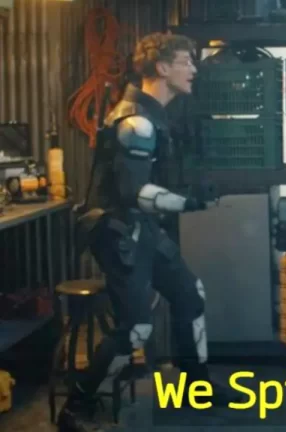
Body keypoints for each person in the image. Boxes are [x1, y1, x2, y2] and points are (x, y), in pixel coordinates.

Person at [58, 33, 243, 432]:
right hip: (118, 232)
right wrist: (191, 203)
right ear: (161, 68)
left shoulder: (153, 115)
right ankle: (75, 407)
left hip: (140, 227)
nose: (194, 69)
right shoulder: (137, 122)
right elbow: (135, 193)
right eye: (186, 61)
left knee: (190, 295)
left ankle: (197, 387)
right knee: (136, 329)